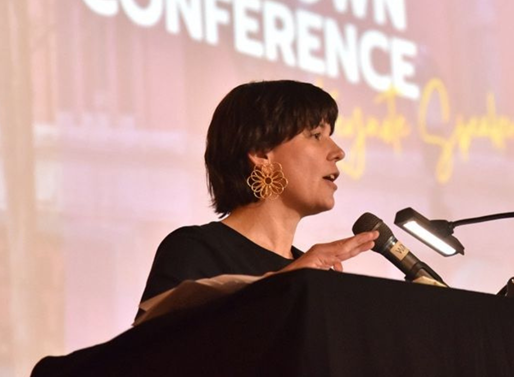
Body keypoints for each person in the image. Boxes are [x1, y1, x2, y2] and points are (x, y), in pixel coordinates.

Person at [137, 80, 378, 319]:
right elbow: (155, 349)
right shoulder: (195, 249)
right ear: (261, 153)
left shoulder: (319, 275)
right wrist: (286, 283)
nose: (339, 152)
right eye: (315, 135)